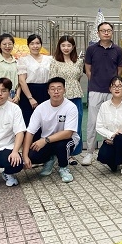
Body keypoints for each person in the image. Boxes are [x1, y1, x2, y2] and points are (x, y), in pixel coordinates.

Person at [22, 77, 79, 183]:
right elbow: (30, 132)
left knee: (62, 145)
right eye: (52, 89)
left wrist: (45, 140)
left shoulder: (71, 107)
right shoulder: (41, 108)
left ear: (64, 90)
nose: (56, 91)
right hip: (47, 141)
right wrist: (25, 156)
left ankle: (64, 168)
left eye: (59, 88)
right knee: (32, 156)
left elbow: (68, 133)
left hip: (66, 140)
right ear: (48, 91)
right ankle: (50, 159)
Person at [83, 22, 122, 166]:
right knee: (92, 122)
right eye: (103, 30)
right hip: (95, 90)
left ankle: (114, 150)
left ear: (112, 32)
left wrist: (113, 86)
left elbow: (119, 70)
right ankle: (89, 152)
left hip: (112, 91)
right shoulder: (91, 49)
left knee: (113, 121)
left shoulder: (118, 50)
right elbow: (88, 69)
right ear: (98, 33)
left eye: (108, 30)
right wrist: (95, 81)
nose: (106, 33)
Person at [96, 76, 122, 178]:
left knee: (120, 139)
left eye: (120, 86)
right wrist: (111, 135)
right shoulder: (104, 106)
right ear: (110, 89)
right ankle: (116, 162)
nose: (117, 88)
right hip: (110, 140)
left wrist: (117, 137)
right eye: (114, 86)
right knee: (102, 156)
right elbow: (99, 126)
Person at [50, 35, 84, 163]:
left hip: (75, 95)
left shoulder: (78, 61)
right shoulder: (54, 61)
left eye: (69, 45)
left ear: (73, 47)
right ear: (59, 46)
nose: (66, 48)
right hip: (61, 97)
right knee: (61, 125)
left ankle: (72, 152)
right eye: (63, 45)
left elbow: (79, 77)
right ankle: (58, 153)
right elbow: (52, 80)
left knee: (76, 124)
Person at [18, 34, 53, 126]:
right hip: (29, 92)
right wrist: (30, 98)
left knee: (46, 120)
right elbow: (22, 81)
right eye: (32, 43)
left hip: (46, 91)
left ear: (41, 44)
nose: (35, 46)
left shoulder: (49, 59)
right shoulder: (23, 60)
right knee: (29, 121)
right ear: (28, 45)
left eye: (37, 43)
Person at [0, 33, 20, 103]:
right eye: (4, 44)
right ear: (0, 45)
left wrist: (17, 96)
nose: (7, 46)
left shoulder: (17, 62)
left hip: (14, 96)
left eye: (10, 44)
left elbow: (20, 81)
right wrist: (7, 97)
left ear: (13, 45)